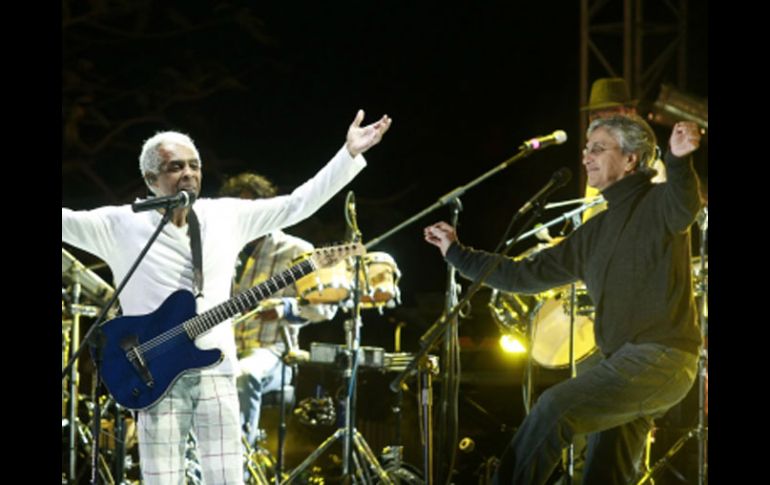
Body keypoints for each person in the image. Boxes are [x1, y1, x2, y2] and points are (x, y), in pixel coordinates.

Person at [62, 109, 391, 485]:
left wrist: (347, 155)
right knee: (161, 479)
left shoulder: (225, 216)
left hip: (215, 369)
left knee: (226, 478)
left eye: (194, 165)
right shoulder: (119, 223)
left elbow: (297, 203)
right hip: (150, 372)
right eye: (175, 167)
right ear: (151, 179)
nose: (188, 173)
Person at [424, 115, 702, 484]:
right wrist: (457, 253)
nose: (586, 156)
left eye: (598, 148)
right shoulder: (594, 232)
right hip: (625, 362)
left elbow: (685, 205)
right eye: (586, 149)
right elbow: (523, 274)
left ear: (632, 159)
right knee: (606, 473)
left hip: (662, 358)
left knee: (554, 408)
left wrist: (680, 160)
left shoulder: (659, 203)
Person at [218, 172, 337, 451]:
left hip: (271, 353)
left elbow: (325, 306)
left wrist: (285, 308)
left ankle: (238, 470)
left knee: (244, 375)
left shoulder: (296, 250)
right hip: (223, 349)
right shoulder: (221, 252)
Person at [581, 77, 667, 220]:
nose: (600, 120)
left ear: (630, 113)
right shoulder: (595, 166)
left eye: (609, 111)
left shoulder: (650, 167)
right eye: (594, 114)